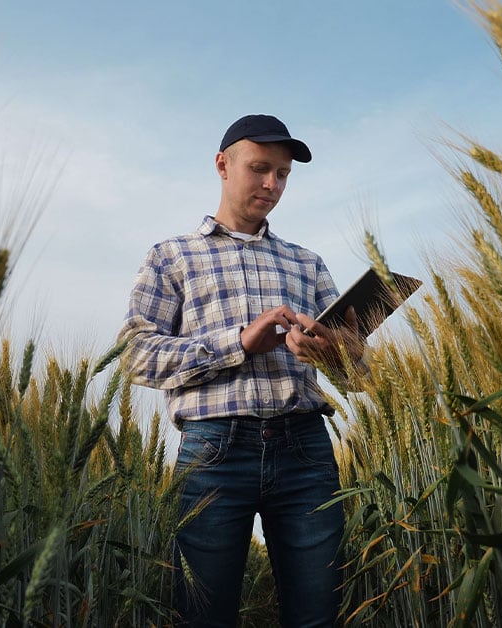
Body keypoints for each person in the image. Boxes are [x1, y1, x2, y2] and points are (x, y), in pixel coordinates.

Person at [117, 114, 365, 627]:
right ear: (222, 165)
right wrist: (240, 343)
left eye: (283, 175)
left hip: (305, 448)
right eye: (260, 169)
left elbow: (357, 370)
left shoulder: (308, 263)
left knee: (318, 613)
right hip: (213, 452)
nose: (272, 185)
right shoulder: (172, 256)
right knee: (203, 614)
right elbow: (136, 355)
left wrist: (333, 353)